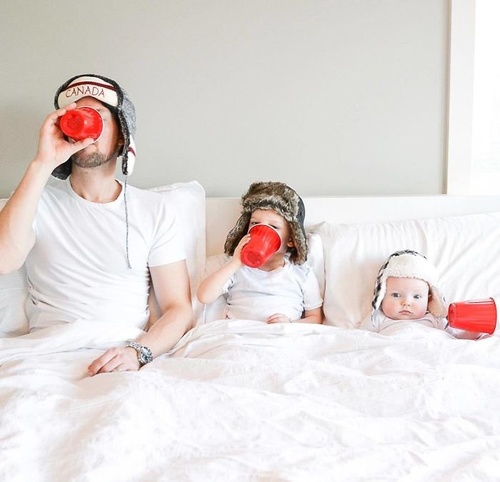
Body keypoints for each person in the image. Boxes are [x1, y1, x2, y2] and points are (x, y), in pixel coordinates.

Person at [0, 74, 192, 374]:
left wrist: (138, 353)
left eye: (98, 116)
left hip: (122, 351)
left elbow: (178, 308)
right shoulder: (35, 199)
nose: (85, 125)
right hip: (48, 352)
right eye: (75, 116)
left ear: (121, 135)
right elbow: (4, 259)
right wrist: (43, 162)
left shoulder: (155, 210)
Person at [197, 181, 323, 324]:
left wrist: (290, 325)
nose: (261, 230)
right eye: (255, 223)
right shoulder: (237, 267)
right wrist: (235, 263)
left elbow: (315, 318)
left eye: (274, 226)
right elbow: (204, 296)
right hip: (240, 332)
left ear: (291, 240)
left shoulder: (301, 273)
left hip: (281, 333)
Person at [360, 249, 482, 339]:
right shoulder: (377, 319)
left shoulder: (435, 320)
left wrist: (474, 332)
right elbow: (361, 339)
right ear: (381, 296)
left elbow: (455, 339)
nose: (406, 303)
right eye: (396, 295)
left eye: (417, 297)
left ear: (430, 299)